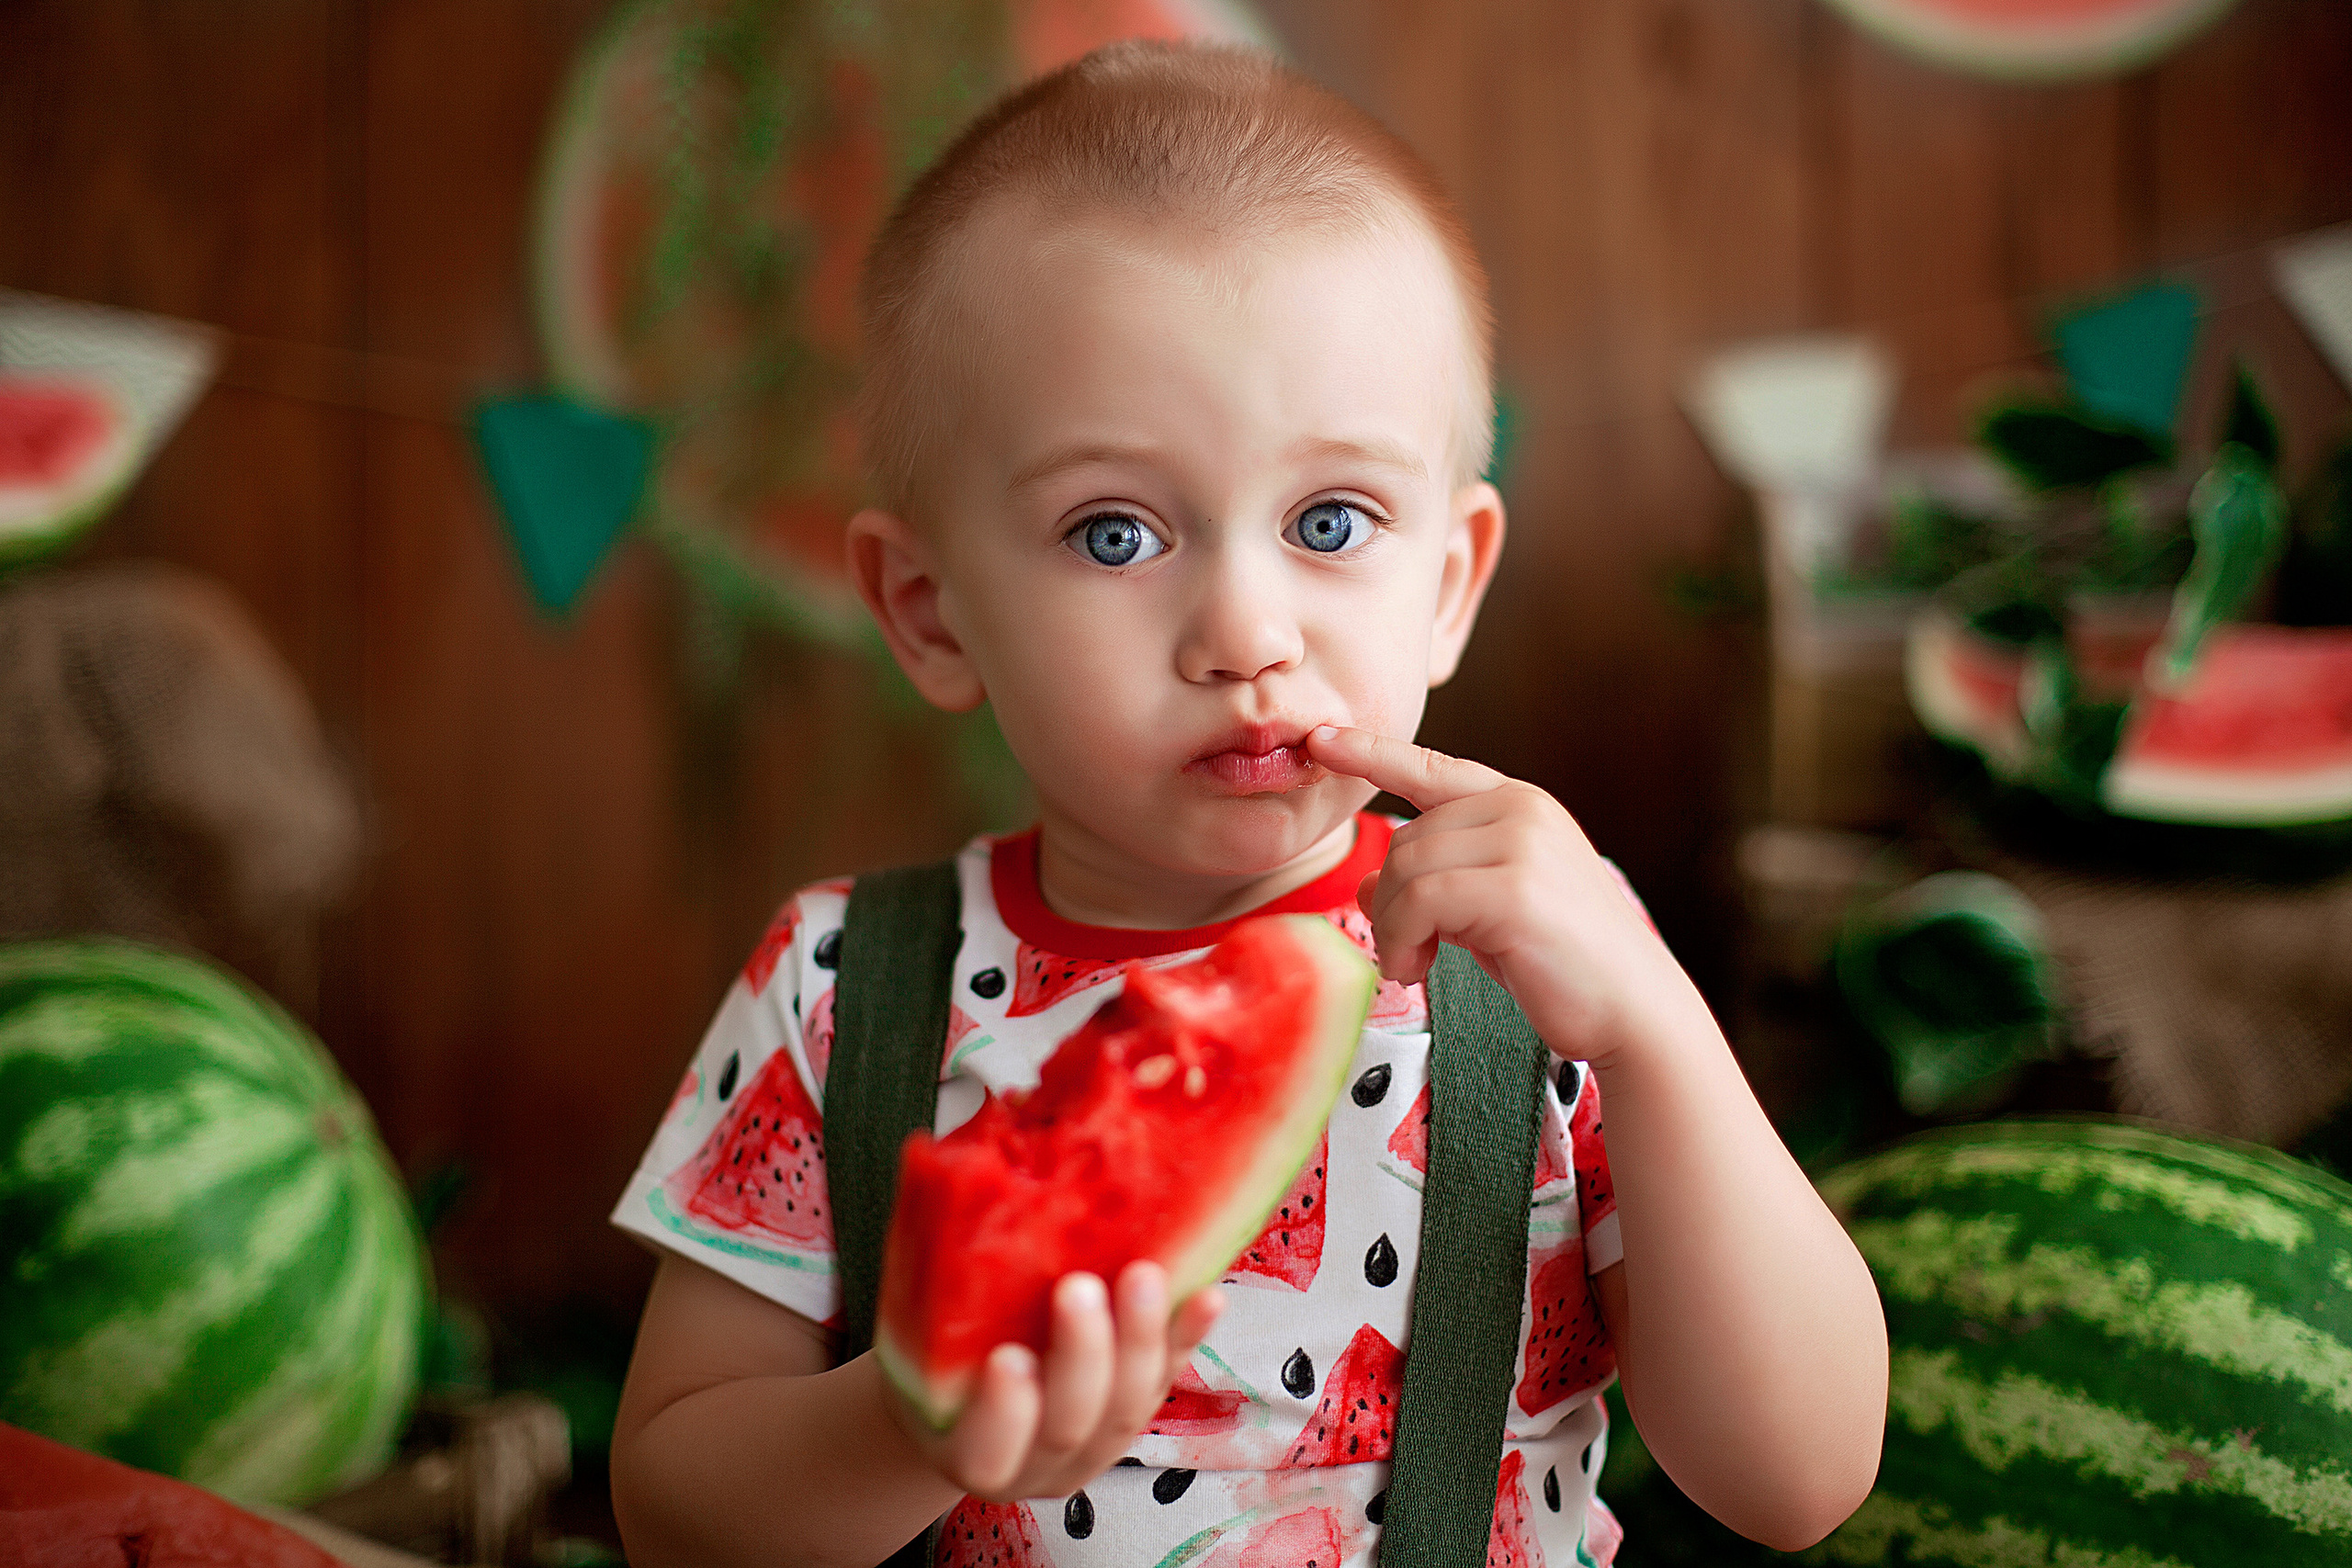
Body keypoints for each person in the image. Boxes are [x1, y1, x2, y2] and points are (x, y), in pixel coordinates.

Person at [606, 40, 1886, 1568]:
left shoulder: (1549, 979)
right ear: (933, 610)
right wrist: (906, 1426)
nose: (1244, 630)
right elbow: (670, 1510)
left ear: (1450, 585)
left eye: (1330, 521)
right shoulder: (844, 988)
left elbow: (1798, 1476)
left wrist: (1661, 1028)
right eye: (1115, 533)